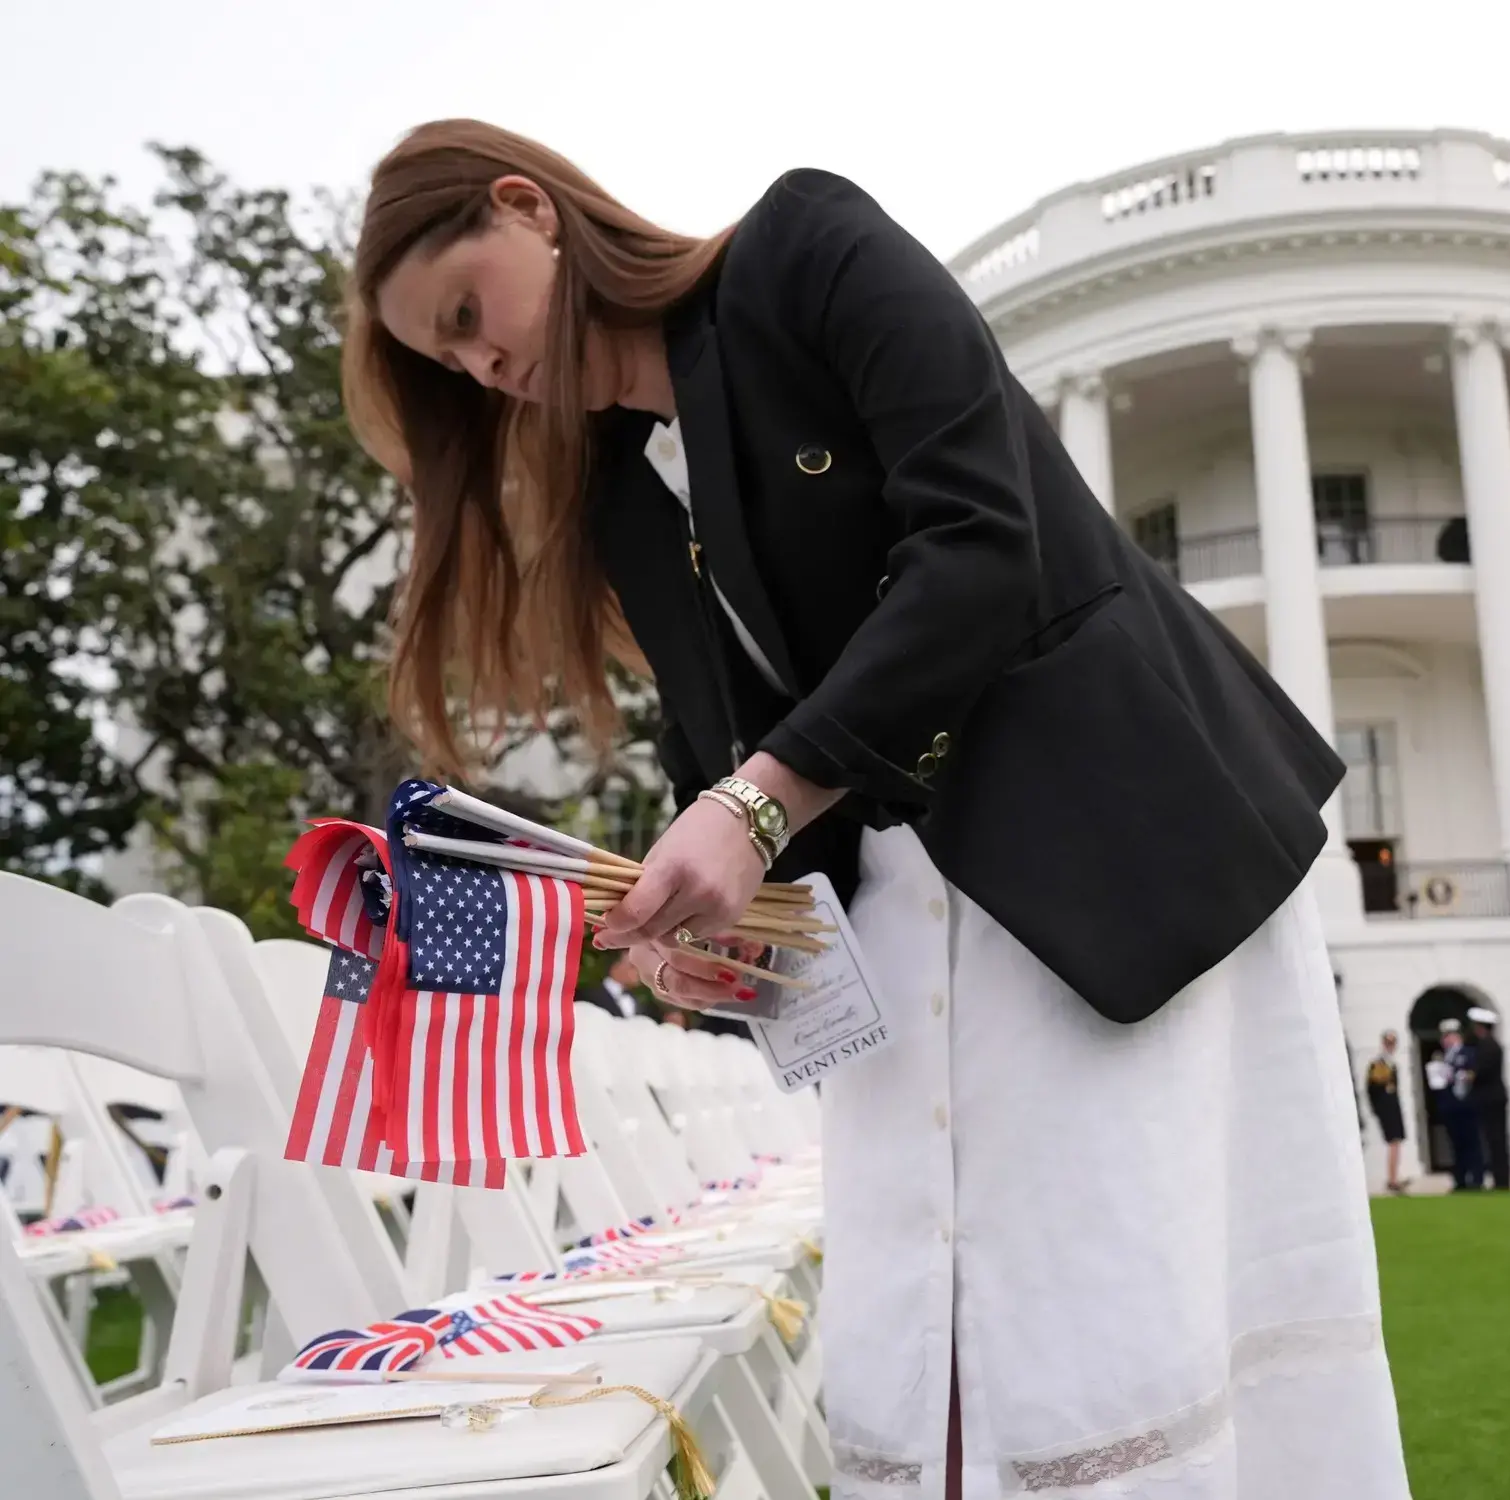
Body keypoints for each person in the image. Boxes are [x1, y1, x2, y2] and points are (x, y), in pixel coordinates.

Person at [343, 121, 1409, 1499]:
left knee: (1123, 1321)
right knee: (935, 1362)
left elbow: (983, 545)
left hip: (1111, 856)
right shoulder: (622, 500)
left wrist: (756, 806)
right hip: (905, 947)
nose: (485, 366)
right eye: (455, 363)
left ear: (527, 209)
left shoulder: (806, 248)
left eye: (470, 317)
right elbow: (728, 768)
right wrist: (709, 938)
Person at [1465, 1007, 1510, 1190]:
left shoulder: (1488, 1046)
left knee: (1496, 1140)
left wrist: (1469, 1076)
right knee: (1495, 1140)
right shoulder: (1491, 1045)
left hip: (1490, 1098)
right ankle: (1500, 1179)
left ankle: (1501, 1180)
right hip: (1493, 1098)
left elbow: (1481, 1072)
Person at [1436, 1019, 1484, 1191]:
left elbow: (1473, 1074)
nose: (1445, 1040)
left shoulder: (1468, 1053)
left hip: (1466, 1104)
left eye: (1448, 1036)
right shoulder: (1443, 1058)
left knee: (1472, 1143)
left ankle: (1477, 1179)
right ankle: (1460, 1179)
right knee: (1456, 1144)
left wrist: (1462, 1076)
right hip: (1450, 1106)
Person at [1364, 1031, 1409, 1193]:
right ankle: (1392, 1179)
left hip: (1393, 1106)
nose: (1391, 1046)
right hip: (1386, 1108)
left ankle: (1394, 1176)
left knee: (1396, 1142)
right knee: (1393, 1141)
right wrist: (1377, 1109)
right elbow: (1372, 1088)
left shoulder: (1391, 1064)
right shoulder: (1378, 1064)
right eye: (1388, 1043)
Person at [576, 951, 660, 1021]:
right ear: (615, 967)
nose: (638, 972)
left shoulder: (636, 1002)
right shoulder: (588, 994)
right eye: (632, 967)